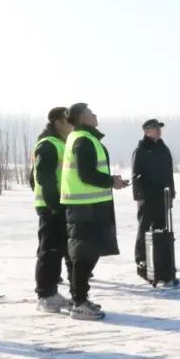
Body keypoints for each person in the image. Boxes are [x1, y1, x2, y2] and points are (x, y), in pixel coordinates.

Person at [60, 102, 128, 320]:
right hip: (84, 208)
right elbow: (86, 174)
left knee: (89, 253)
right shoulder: (82, 140)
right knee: (83, 255)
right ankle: (79, 302)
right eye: (90, 113)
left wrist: (112, 181)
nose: (95, 114)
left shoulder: (85, 138)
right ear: (82, 118)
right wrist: (110, 181)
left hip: (92, 206)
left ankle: (80, 298)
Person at [31, 106, 74, 313]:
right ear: (58, 122)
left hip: (58, 205)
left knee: (56, 251)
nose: (72, 125)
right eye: (68, 121)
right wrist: (53, 205)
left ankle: (51, 292)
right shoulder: (48, 144)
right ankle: (45, 295)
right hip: (51, 207)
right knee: (49, 251)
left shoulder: (61, 143)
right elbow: (41, 177)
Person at [132, 118, 175, 279]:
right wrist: (139, 196)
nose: (158, 131)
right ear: (146, 131)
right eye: (155, 128)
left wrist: (171, 193)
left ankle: (161, 262)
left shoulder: (164, 149)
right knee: (144, 229)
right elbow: (136, 175)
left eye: (159, 128)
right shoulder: (141, 149)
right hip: (147, 196)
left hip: (162, 196)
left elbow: (169, 173)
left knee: (161, 229)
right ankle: (141, 261)